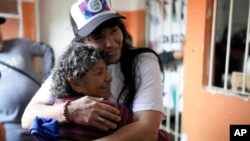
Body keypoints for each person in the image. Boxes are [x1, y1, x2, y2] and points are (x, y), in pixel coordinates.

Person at [22, 0, 168, 140]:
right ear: (81, 43)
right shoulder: (73, 67)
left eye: (114, 30)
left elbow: (147, 131)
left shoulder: (142, 61)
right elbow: (28, 118)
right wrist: (70, 111)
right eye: (98, 37)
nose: (110, 43)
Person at [0, 16, 54, 141]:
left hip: (42, 115)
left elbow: (46, 50)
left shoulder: (20, 44)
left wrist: (48, 77)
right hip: (13, 126)